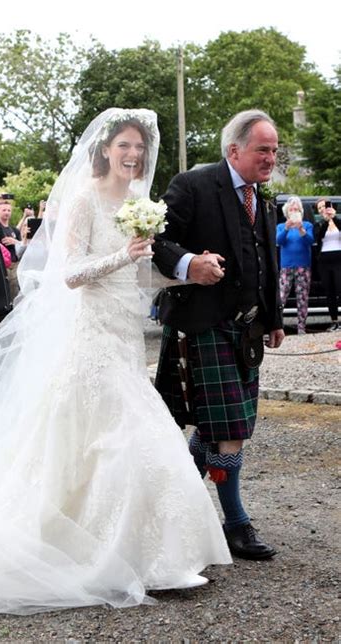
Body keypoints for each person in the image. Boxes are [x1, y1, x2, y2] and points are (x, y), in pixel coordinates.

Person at [0, 108, 231, 617]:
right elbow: (68, 275)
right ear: (106, 150)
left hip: (124, 334)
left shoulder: (139, 203)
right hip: (88, 335)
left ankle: (150, 553)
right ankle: (102, 553)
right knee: (120, 432)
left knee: (130, 432)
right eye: (124, 146)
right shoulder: (85, 198)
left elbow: (139, 278)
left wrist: (185, 277)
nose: (133, 155)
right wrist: (125, 256)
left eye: (140, 148)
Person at [153, 109, 285, 561]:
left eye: (273, 149)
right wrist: (190, 264)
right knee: (228, 431)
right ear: (234, 150)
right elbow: (157, 242)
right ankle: (235, 524)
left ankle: (174, 510)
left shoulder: (261, 198)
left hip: (246, 330)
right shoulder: (193, 184)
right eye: (262, 149)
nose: (270, 157)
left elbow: (267, 261)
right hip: (202, 324)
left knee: (221, 429)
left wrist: (275, 317)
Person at [276, 195, 315, 334]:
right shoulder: (281, 226)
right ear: (287, 212)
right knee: (281, 298)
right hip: (286, 267)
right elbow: (279, 242)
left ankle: (301, 328)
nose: (294, 211)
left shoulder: (307, 225)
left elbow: (310, 241)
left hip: (303, 266)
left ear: (300, 211)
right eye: (291, 209)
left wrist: (301, 230)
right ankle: (278, 327)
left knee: (302, 298)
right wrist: (286, 229)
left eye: (296, 209)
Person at [315, 198, 341, 331]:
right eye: (319, 208)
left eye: (324, 207)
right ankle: (334, 321)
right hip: (324, 261)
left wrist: (334, 218)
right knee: (329, 292)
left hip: (339, 259)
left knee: (339, 288)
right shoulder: (319, 224)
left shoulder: (338, 221)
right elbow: (319, 236)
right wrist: (326, 221)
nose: (322, 210)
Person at [0, 202, 27, 299]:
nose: (7, 212)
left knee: (15, 293)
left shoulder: (15, 230)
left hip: (15, 265)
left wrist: (15, 241)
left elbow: (22, 247)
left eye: (9, 210)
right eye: (4, 210)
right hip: (3, 265)